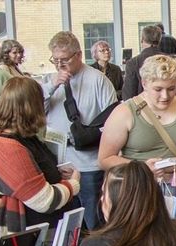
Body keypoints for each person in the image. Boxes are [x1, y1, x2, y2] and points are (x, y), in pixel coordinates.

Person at [0, 76, 80, 233]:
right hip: (31, 230)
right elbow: (44, 201)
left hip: (37, 223)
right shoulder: (7, 148)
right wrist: (73, 184)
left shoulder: (1, 132)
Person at [42, 31, 119, 231]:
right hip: (58, 163)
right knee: (65, 226)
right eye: (55, 60)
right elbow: (35, 114)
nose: (59, 65)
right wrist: (52, 86)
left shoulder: (97, 80)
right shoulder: (49, 82)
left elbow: (113, 119)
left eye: (64, 59)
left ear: (78, 55)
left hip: (89, 165)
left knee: (93, 223)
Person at [98, 53, 176, 194]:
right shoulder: (124, 113)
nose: (165, 96)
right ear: (144, 83)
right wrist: (142, 168)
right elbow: (104, 159)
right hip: (138, 192)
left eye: (171, 89)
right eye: (158, 89)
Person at [121, 25, 164, 101]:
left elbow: (128, 95)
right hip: (168, 108)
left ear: (142, 40)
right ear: (159, 39)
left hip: (142, 108)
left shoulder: (133, 63)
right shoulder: (171, 61)